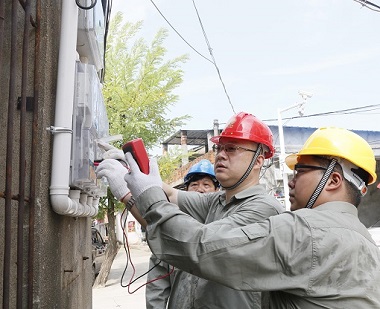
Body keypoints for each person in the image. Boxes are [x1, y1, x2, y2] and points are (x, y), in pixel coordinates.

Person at [121, 126, 380, 308]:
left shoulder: (302, 230)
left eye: (300, 171)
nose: (291, 181)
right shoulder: (363, 239)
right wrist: (142, 185)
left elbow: (202, 249)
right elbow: (179, 200)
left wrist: (143, 195)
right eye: (220, 148)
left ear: (333, 180)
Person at [96, 112, 284, 309]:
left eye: (231, 149)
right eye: (219, 147)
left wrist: (127, 195)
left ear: (258, 161)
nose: (220, 154)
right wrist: (131, 172)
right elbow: (167, 197)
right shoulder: (217, 201)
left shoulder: (263, 210)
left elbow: (198, 247)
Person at [145, 159, 219, 309]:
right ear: (185, 191)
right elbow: (157, 283)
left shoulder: (223, 226)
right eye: (194, 185)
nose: (200, 189)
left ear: (217, 191)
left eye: (206, 185)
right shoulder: (172, 229)